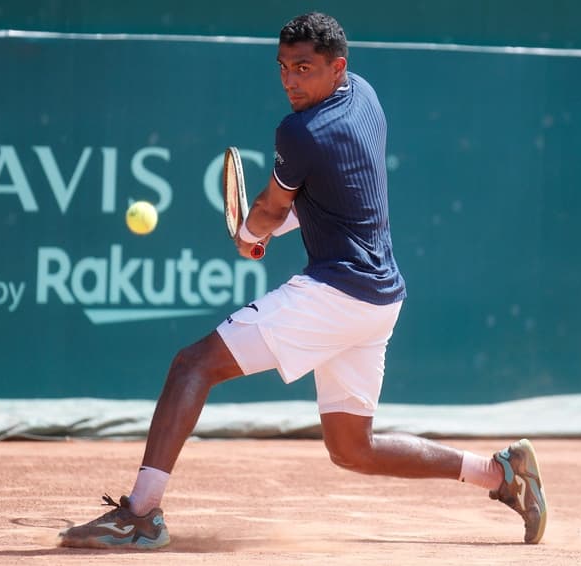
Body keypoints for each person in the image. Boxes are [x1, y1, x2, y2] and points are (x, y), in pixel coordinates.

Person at [58, 12, 547, 550]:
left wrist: (249, 234)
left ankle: (141, 515)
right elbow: (326, 195)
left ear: (336, 68)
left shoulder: (299, 131)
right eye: (284, 68)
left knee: (191, 365)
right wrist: (266, 225)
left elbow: (271, 207)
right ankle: (502, 474)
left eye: (304, 69)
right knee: (351, 448)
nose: (291, 80)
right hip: (381, 299)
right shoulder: (364, 95)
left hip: (337, 293)